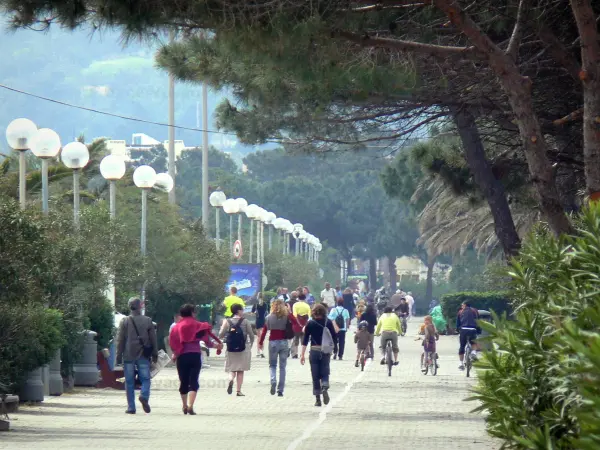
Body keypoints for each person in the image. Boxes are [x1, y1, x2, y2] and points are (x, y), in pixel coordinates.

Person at [169, 304, 223, 415]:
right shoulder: (200, 326)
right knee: (193, 381)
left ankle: (184, 405)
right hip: (195, 356)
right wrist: (217, 346)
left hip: (182, 357)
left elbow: (173, 343)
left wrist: (175, 354)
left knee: (183, 381)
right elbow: (207, 342)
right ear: (192, 313)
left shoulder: (176, 327)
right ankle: (190, 406)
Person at [116, 297, 158, 414]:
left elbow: (120, 340)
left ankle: (131, 407)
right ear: (141, 306)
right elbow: (153, 339)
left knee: (129, 381)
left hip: (128, 355)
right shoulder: (148, 321)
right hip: (143, 355)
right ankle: (144, 395)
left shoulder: (124, 321)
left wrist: (118, 356)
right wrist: (155, 353)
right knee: (145, 379)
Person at [301, 304, 338, 407]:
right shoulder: (328, 322)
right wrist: (335, 349)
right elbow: (334, 337)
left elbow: (305, 340)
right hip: (325, 351)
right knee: (325, 370)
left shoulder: (310, 323)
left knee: (315, 375)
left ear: (313, 312)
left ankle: (318, 399)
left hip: (314, 350)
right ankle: (325, 385)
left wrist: (302, 354)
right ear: (324, 312)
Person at [258, 299, 293, 396]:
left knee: (272, 365)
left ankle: (273, 380)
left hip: (273, 342)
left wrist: (260, 342)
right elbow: (295, 322)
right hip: (284, 342)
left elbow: (264, 331)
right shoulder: (286, 317)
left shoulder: (269, 317)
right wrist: (289, 312)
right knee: (282, 367)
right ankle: (280, 390)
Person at [219, 303, 254, 396]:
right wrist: (251, 345)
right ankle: (238, 391)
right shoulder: (245, 321)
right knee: (240, 370)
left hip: (231, 348)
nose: (243, 311)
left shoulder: (227, 321)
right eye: (242, 310)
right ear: (238, 311)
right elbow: (251, 334)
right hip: (243, 348)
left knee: (232, 369)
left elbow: (220, 335)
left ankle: (230, 379)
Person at [456, 301, 480, 370]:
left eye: (462, 305)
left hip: (463, 330)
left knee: (462, 346)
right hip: (473, 329)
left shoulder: (460, 312)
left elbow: (458, 324)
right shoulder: (475, 311)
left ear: (465, 305)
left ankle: (461, 364)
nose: (461, 306)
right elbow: (478, 321)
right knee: (474, 342)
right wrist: (478, 330)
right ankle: (473, 353)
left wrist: (457, 330)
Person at [291, 294, 311, 358]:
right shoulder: (307, 306)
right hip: (305, 323)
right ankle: (302, 353)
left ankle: (294, 353)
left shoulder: (295, 305)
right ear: (305, 298)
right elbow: (309, 316)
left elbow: (294, 315)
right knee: (303, 339)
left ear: (298, 298)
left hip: (297, 323)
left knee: (295, 339)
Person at [252, 293, 269, 358]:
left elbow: (252, 312)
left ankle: (258, 352)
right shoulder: (265, 304)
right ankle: (262, 351)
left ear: (257, 297)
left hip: (258, 321)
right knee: (262, 336)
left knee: (258, 337)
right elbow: (267, 312)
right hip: (263, 321)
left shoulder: (256, 305)